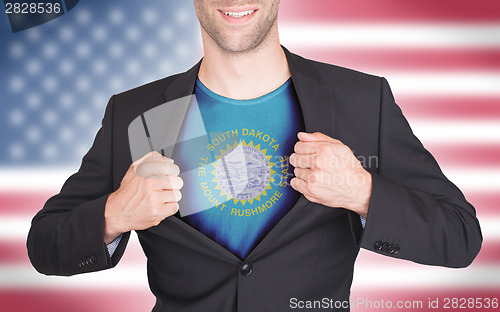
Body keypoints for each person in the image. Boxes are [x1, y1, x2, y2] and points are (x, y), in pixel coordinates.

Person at [27, 1, 482, 311]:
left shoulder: (361, 100)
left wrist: (363, 191)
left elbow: (460, 236)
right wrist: (114, 214)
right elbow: (45, 245)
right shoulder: (138, 113)